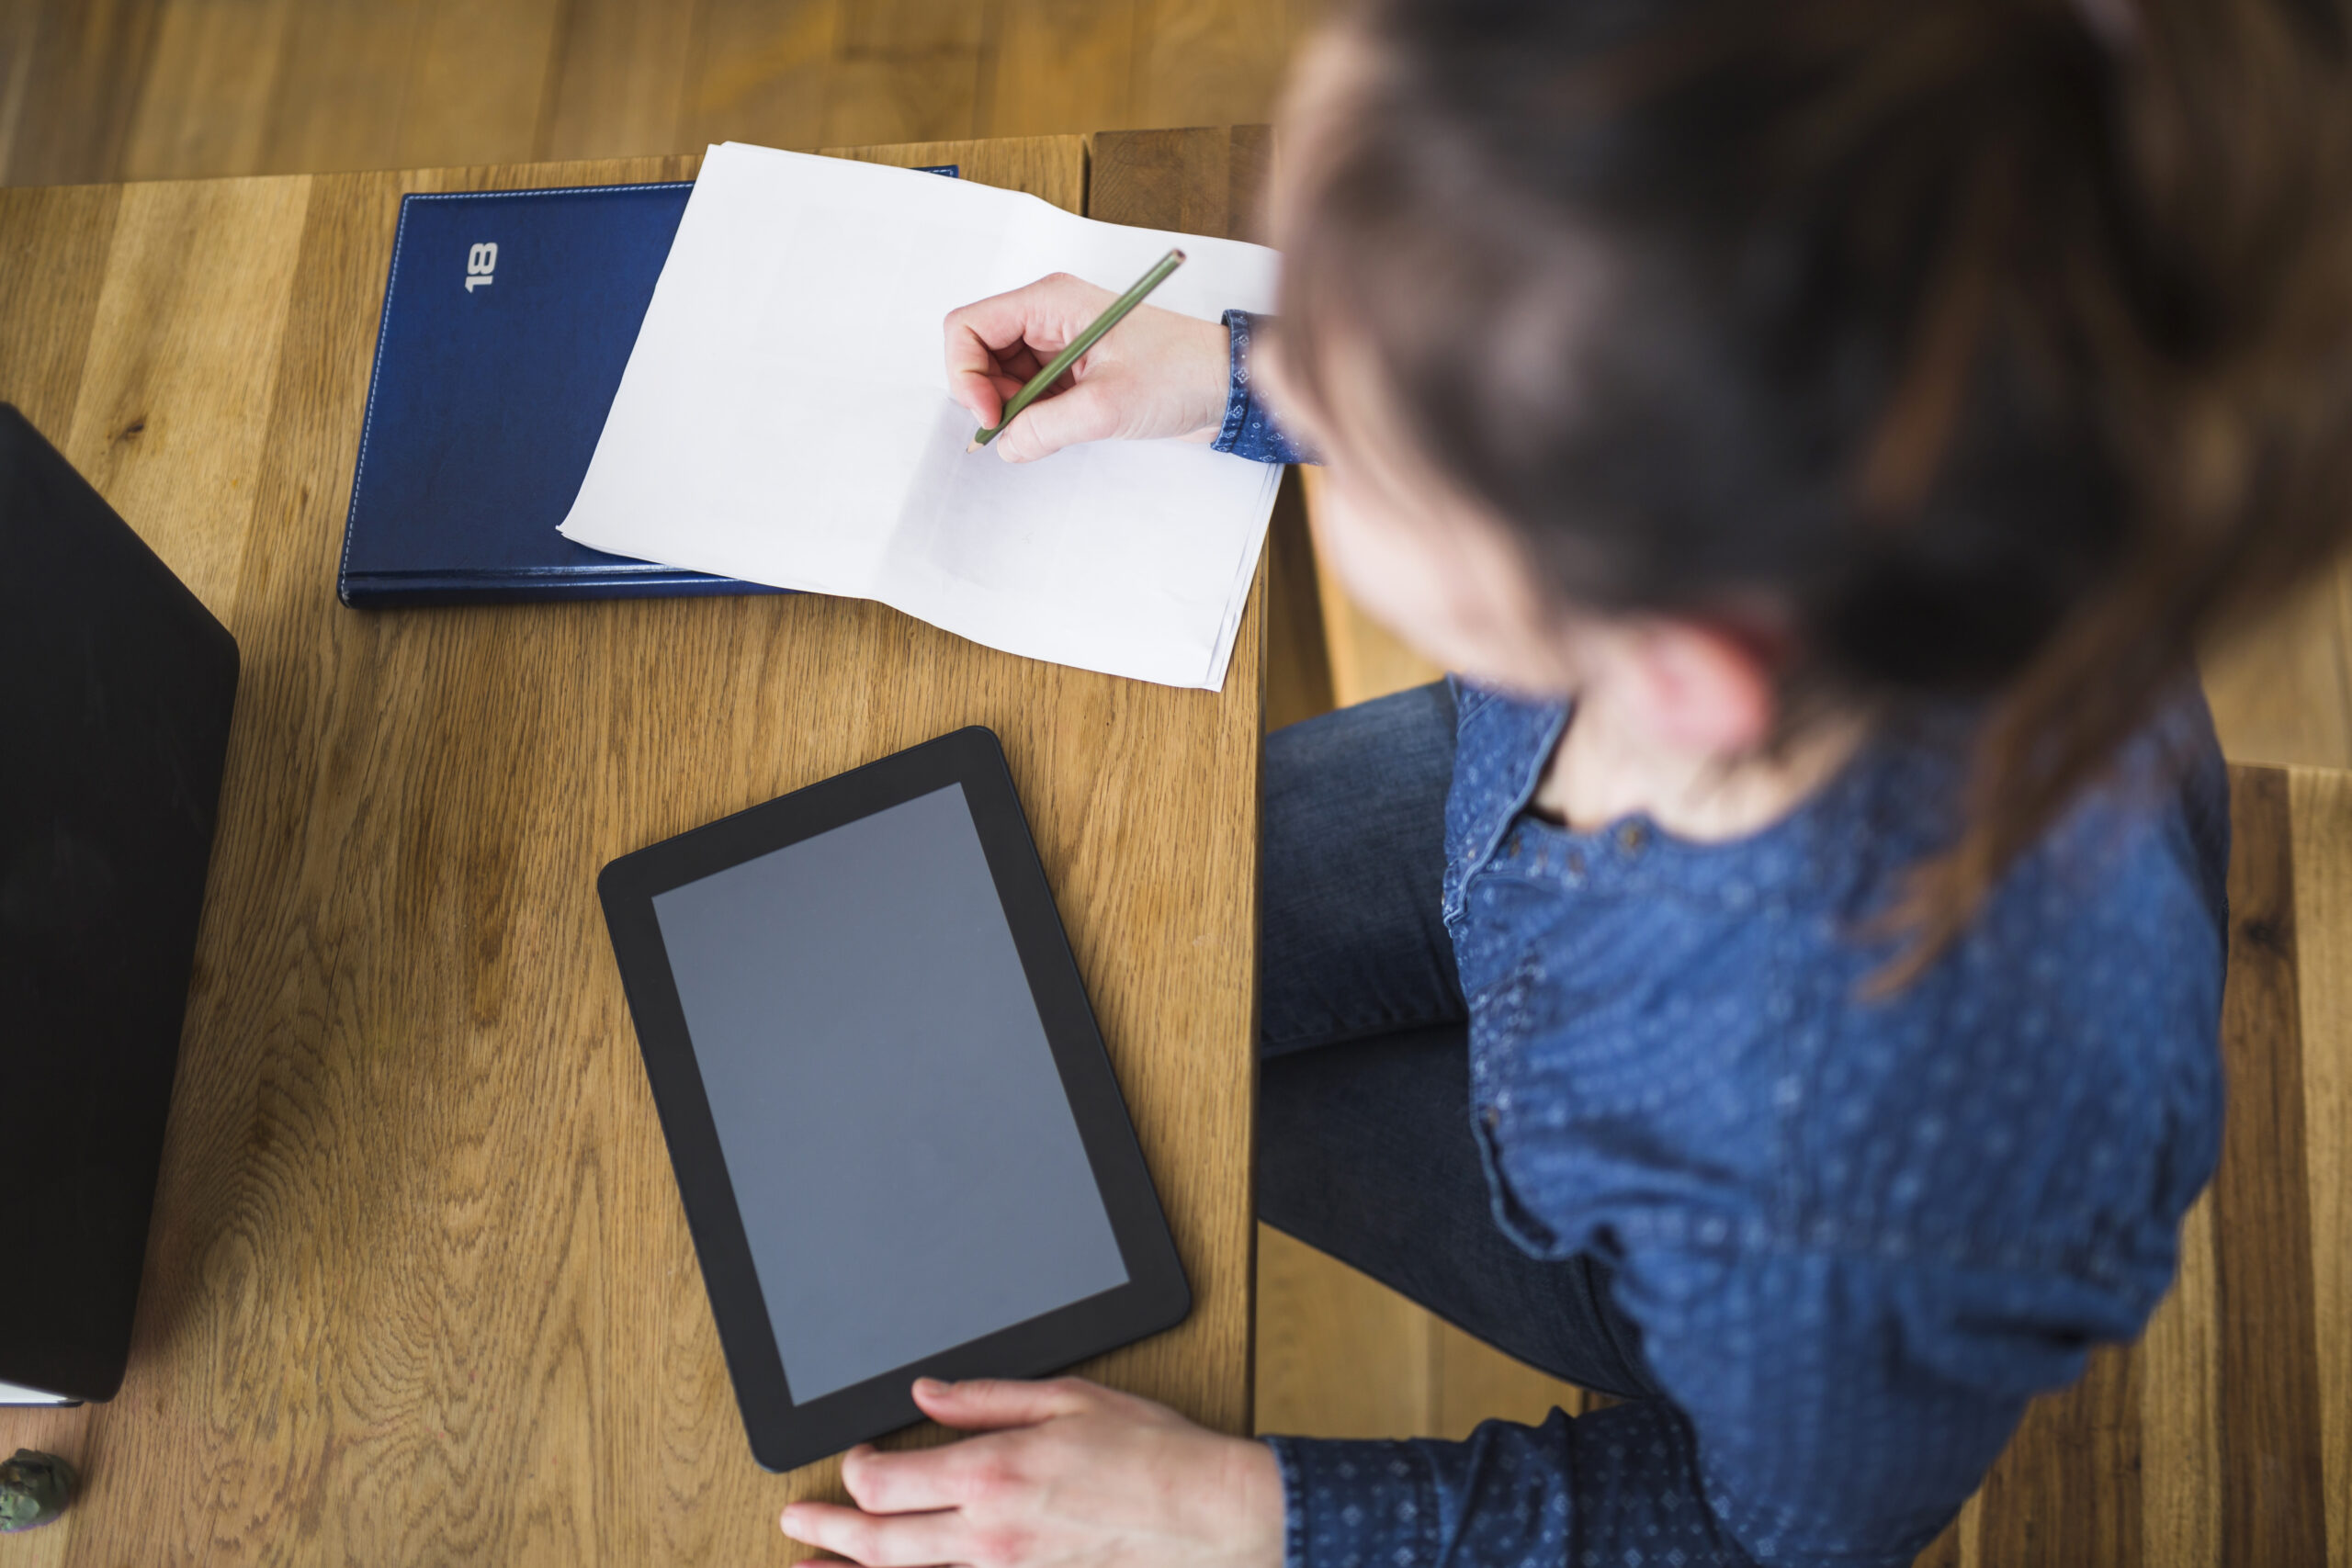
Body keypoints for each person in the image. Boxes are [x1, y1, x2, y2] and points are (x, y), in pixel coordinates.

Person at [782, 0, 2352, 1564]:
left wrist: (1236, 1511)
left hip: (1672, 1228)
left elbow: (1770, 1537)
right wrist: (1231, 369)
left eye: (1377, 415)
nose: (1311, 369)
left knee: (1103, 1121)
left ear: (1674, 663)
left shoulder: (1871, 1191)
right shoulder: (1823, 485)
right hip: (1518, 857)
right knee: (1041, 1016)